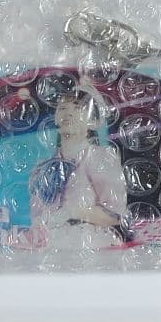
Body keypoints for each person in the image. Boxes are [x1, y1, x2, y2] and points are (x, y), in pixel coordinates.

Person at [29, 88, 129, 251]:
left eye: (77, 108)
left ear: (92, 121)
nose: (68, 113)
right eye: (62, 108)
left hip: (92, 245)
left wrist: (72, 212)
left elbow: (116, 214)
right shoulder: (43, 166)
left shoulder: (100, 157)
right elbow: (37, 216)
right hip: (50, 247)